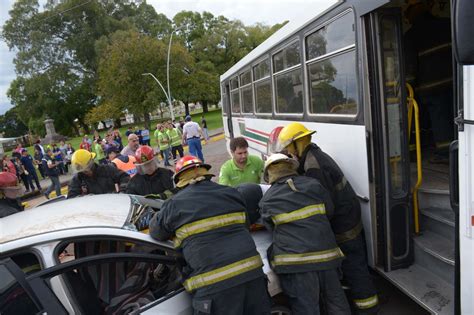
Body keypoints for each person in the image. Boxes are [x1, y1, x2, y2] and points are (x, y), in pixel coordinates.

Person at [276, 122, 378, 314]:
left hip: (344, 225)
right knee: (355, 266)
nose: (289, 153)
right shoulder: (313, 156)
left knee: (354, 269)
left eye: (289, 148)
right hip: (347, 218)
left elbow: (324, 206)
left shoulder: (313, 167)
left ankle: (369, 309)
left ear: (297, 144)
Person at [149, 155, 270, 315]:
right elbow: (245, 224)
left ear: (179, 181)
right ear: (205, 173)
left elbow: (156, 232)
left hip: (215, 289)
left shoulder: (174, 205)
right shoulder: (231, 193)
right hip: (253, 278)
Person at [259, 153, 349, 314]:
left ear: (269, 175)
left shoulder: (267, 200)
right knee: (336, 302)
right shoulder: (314, 185)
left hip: (297, 265)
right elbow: (329, 212)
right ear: (292, 167)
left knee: (306, 308)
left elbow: (271, 229)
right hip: (328, 258)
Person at [404, 1, 454, 162]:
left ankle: (444, 154)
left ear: (415, 10)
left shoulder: (411, 35)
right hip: (456, 83)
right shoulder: (447, 24)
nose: (406, 17)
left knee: (439, 117)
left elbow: (410, 67)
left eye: (407, 12)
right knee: (453, 115)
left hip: (431, 86)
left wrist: (408, 88)